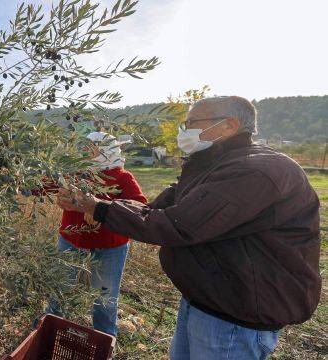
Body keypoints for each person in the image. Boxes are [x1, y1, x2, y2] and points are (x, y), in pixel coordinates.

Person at [56, 96, 321, 359]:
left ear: (229, 125)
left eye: (193, 122)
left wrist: (98, 207)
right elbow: (155, 210)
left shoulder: (254, 171)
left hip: (235, 318)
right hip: (207, 300)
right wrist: (93, 204)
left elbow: (177, 225)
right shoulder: (212, 165)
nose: (185, 130)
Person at [39, 131, 147, 337]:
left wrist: (103, 209)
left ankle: (105, 338)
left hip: (110, 247)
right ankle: (49, 329)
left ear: (106, 150)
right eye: (84, 147)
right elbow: (43, 185)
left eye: (91, 148)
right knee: (60, 287)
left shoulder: (121, 177)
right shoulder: (75, 172)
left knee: (105, 297)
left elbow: (140, 207)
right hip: (70, 241)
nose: (85, 152)